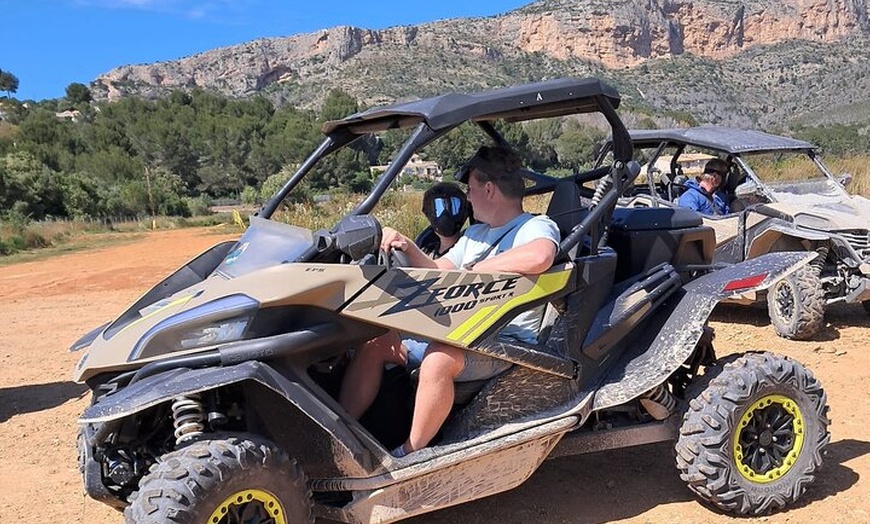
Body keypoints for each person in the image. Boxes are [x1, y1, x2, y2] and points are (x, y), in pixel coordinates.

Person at [339, 145, 560, 457]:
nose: (467, 198)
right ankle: (341, 433)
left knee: (439, 357)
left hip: (501, 342)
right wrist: (407, 245)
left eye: (470, 190)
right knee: (377, 340)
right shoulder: (476, 235)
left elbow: (541, 256)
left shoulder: (534, 226)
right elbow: (439, 271)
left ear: (489, 189)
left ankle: (410, 453)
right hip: (461, 331)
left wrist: (476, 271)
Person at [417, 181, 469, 258]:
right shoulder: (426, 249)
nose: (445, 216)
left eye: (453, 207)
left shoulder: (468, 253)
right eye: (439, 207)